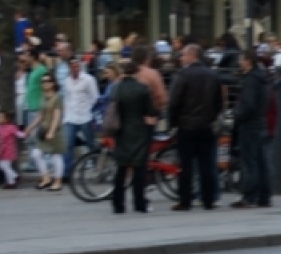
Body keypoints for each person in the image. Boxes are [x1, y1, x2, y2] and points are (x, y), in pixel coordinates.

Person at [168, 44, 224, 211]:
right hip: (206, 126)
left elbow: (175, 101)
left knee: (186, 166)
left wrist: (173, 122)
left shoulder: (183, 75)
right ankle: (208, 200)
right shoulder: (212, 75)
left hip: (186, 126)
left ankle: (185, 200)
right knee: (206, 164)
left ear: (192, 56)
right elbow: (219, 102)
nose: (181, 58)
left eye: (183, 55)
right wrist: (211, 118)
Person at [110, 59, 159, 214]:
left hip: (122, 130)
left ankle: (118, 204)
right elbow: (150, 110)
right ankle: (139, 203)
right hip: (139, 130)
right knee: (139, 168)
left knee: (121, 167)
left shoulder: (116, 89)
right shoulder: (142, 89)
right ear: (136, 72)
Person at [232, 51, 272, 209]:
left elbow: (248, 103)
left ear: (248, 61)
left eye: (241, 59)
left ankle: (249, 196)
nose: (239, 62)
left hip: (249, 124)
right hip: (260, 122)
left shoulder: (250, 80)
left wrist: (238, 115)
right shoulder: (262, 78)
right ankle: (264, 196)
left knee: (250, 162)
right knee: (262, 161)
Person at [25, 71, 66, 191]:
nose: (45, 83)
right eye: (43, 81)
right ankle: (46, 178)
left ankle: (58, 181)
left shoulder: (57, 98)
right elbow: (40, 116)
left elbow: (56, 117)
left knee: (56, 156)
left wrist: (52, 132)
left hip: (55, 131)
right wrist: (30, 127)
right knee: (36, 154)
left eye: (47, 81)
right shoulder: (42, 97)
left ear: (53, 83)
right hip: (43, 130)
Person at [61, 57, 100, 179]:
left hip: (85, 116)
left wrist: (89, 110)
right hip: (71, 116)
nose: (75, 68)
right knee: (68, 144)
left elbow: (95, 97)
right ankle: (67, 173)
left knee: (90, 143)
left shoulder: (88, 79)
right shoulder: (66, 81)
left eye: (77, 66)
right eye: (72, 66)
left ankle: (98, 168)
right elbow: (66, 98)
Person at [132, 46, 168, 114]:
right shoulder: (153, 74)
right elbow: (162, 98)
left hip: (128, 116)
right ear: (147, 59)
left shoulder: (123, 75)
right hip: (149, 114)